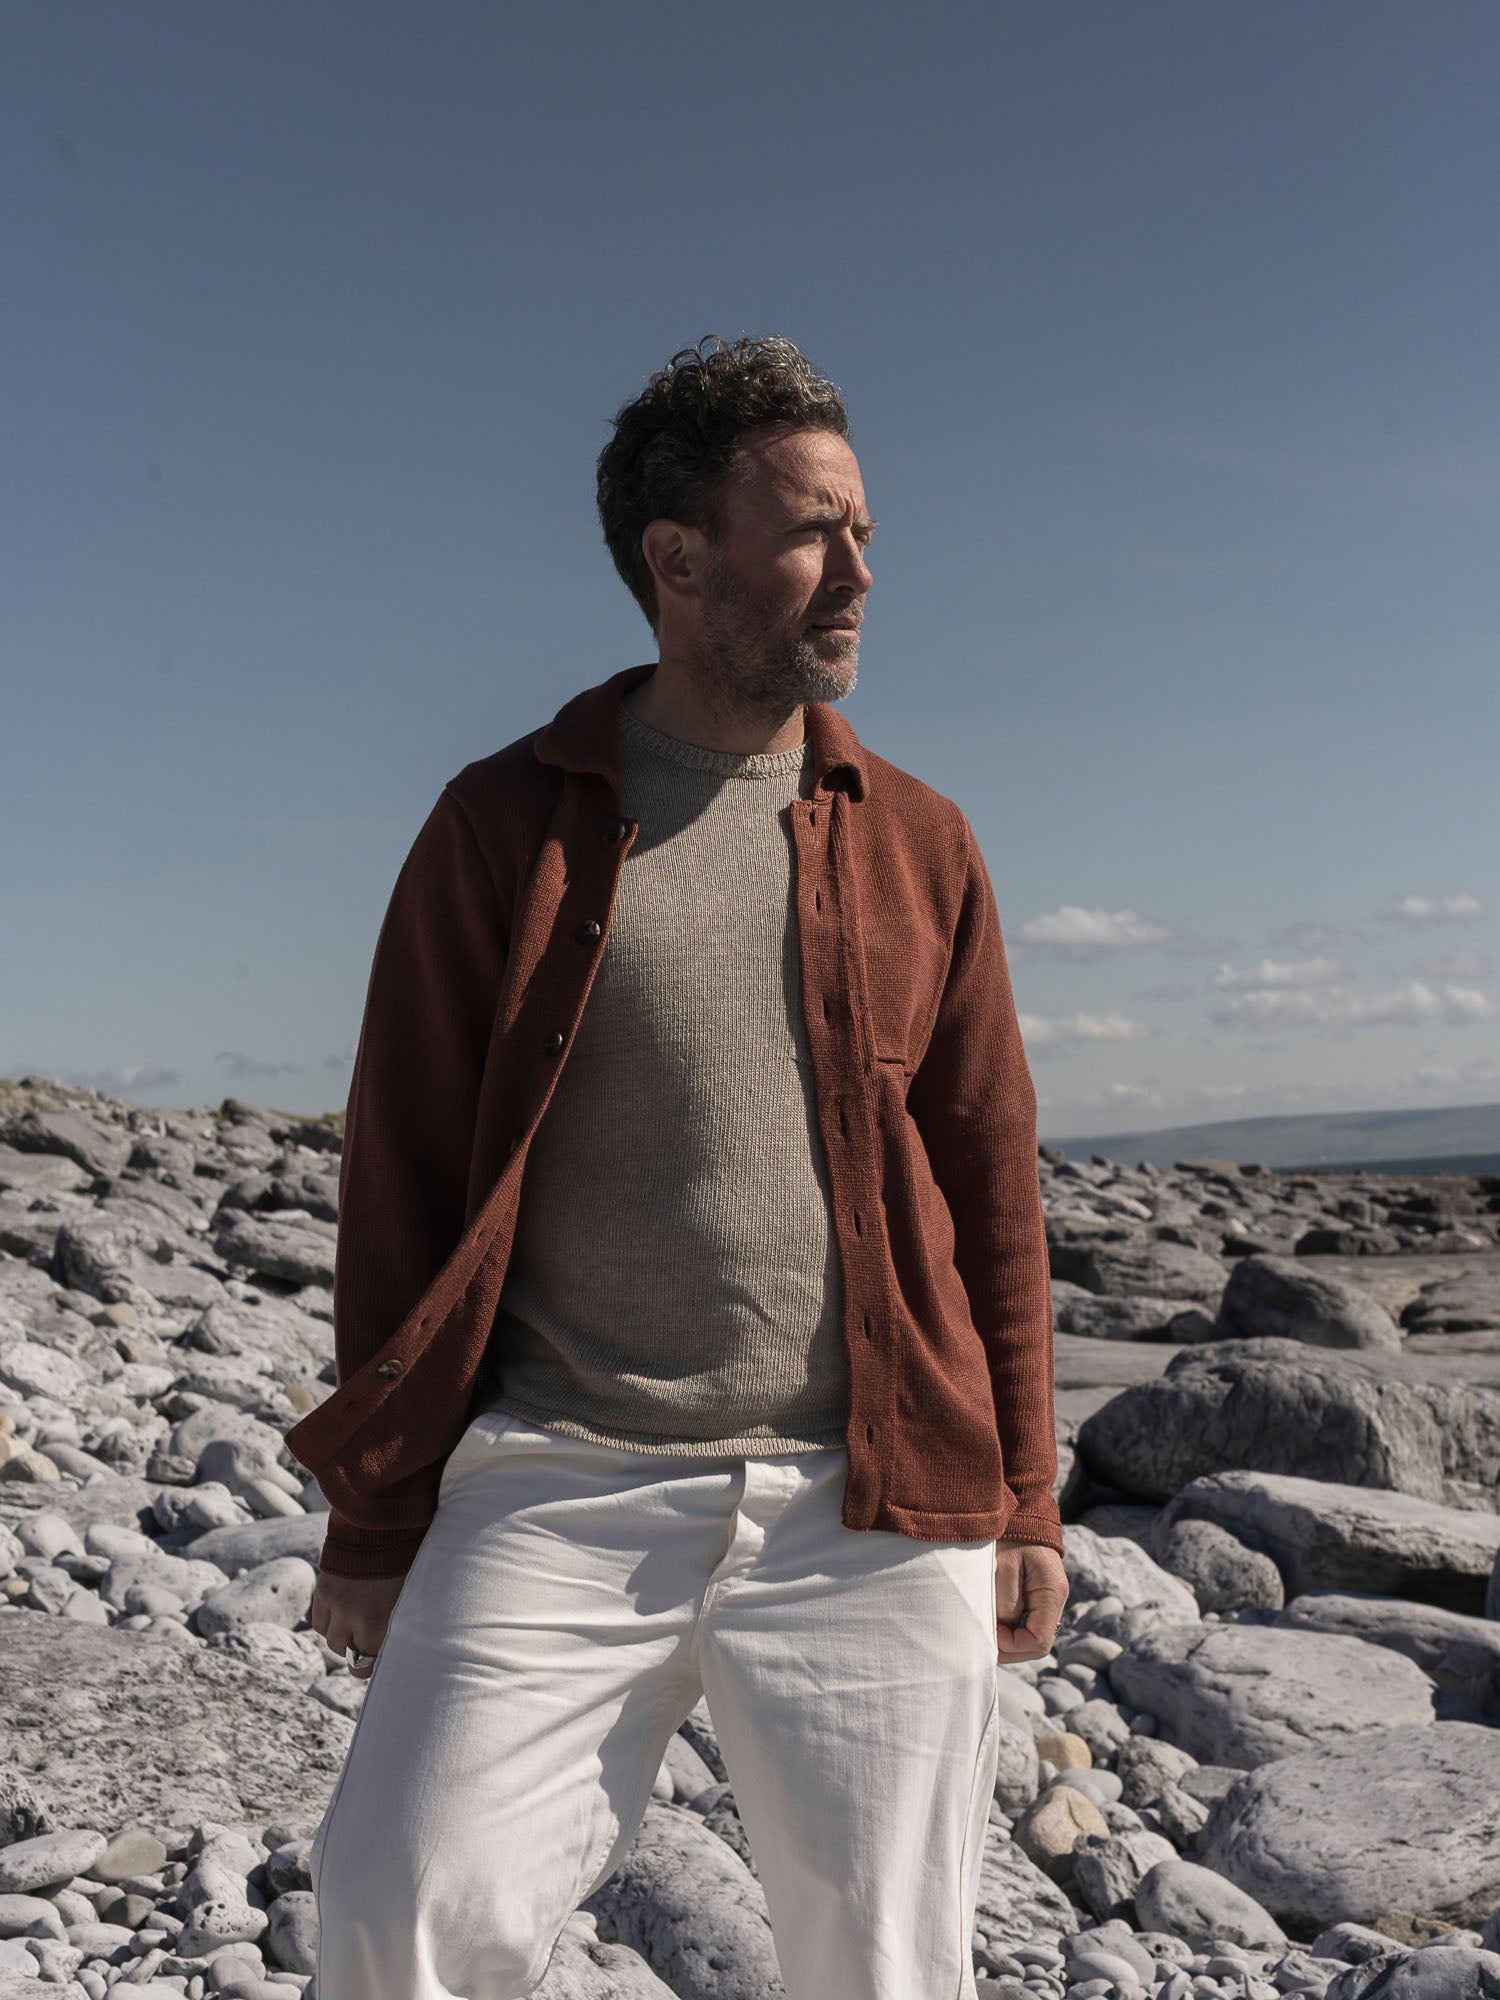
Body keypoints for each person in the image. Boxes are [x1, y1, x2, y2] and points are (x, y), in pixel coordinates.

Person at [294, 333, 1069, 2000]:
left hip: (869, 1504)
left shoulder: (921, 839)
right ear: (678, 559)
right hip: (559, 1480)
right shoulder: (504, 823)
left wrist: (1025, 1502)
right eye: (814, 534)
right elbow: (401, 1176)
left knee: (889, 1971)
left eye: (864, 530)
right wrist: (374, 1519)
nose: (861, 570)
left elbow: (991, 1189)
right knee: (393, 1910)